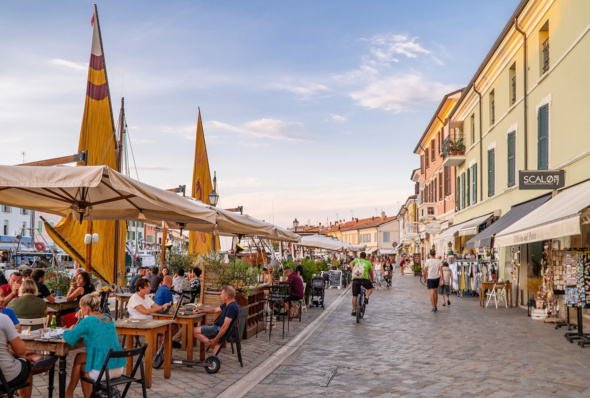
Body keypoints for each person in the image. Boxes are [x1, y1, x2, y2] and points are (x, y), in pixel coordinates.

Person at [62, 292, 126, 398]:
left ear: (87, 309)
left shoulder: (88, 321)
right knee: (82, 364)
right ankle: (69, 393)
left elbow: (66, 339)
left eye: (81, 308)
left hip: (105, 370)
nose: (80, 311)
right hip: (118, 367)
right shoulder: (108, 317)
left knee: (80, 361)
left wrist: (71, 329)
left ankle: (69, 393)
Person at [0, 312, 53, 398]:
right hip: (5, 377)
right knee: (25, 365)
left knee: (24, 361)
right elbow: (20, 350)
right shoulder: (3, 319)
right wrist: (22, 347)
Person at [193, 286, 239, 353]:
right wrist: (201, 311)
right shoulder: (228, 304)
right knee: (194, 330)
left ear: (227, 296)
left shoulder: (232, 307)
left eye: (222, 294)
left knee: (192, 331)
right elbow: (215, 310)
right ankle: (214, 352)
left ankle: (214, 345)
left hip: (217, 329)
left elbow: (225, 326)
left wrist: (215, 340)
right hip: (216, 327)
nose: (220, 296)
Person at [349, 252, 374, 316]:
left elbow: (350, 263)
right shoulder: (368, 263)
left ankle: (354, 311)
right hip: (364, 279)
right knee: (370, 288)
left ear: (359, 256)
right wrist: (372, 280)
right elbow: (371, 273)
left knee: (355, 296)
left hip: (356, 280)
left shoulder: (356, 260)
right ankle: (366, 297)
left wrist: (353, 270)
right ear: (365, 257)